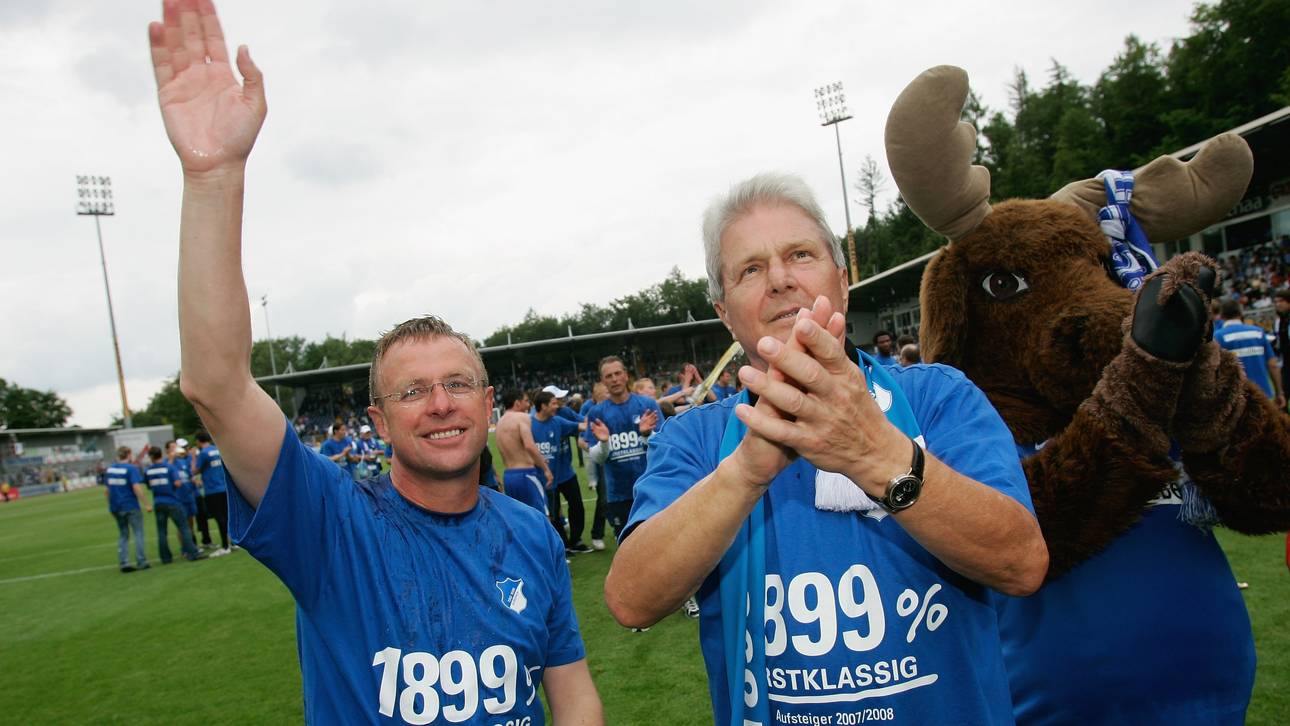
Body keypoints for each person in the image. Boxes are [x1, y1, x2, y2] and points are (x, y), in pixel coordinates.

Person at [147, 3, 602, 721]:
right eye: (412, 391)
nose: (441, 403)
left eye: (457, 384)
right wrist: (212, 177)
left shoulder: (530, 533)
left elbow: (571, 689)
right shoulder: (330, 522)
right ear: (378, 421)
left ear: (488, 404)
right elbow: (216, 386)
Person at [605, 173, 1047, 724]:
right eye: (750, 269)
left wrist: (875, 455)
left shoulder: (937, 397)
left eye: (800, 254)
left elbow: (1021, 564)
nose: (780, 280)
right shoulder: (695, 438)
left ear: (841, 281)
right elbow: (631, 600)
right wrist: (744, 472)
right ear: (724, 312)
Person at [582, 356, 661, 539]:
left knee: (658, 544)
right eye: (609, 376)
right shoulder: (597, 412)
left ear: (626, 376)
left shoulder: (647, 405)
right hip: (618, 495)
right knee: (627, 547)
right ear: (603, 381)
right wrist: (603, 442)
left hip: (649, 488)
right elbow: (597, 458)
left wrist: (647, 435)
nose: (614, 379)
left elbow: (662, 447)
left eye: (618, 373)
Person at [532, 390, 591, 554]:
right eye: (553, 402)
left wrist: (597, 423)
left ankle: (576, 540)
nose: (557, 405)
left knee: (577, 505)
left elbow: (580, 425)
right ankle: (563, 545)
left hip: (566, 474)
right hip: (545, 478)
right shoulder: (529, 424)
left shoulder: (557, 420)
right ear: (543, 406)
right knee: (553, 514)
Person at [1214, 299, 1285, 408]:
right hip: (1262, 393)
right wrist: (1279, 392)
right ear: (1241, 313)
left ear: (1222, 315)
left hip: (1236, 396)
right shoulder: (1258, 332)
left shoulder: (1218, 336)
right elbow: (1273, 365)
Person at [496, 389, 554, 513]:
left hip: (509, 477)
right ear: (517, 403)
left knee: (520, 518)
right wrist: (546, 469)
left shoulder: (499, 423)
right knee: (541, 517)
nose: (529, 405)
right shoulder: (522, 417)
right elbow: (529, 445)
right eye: (526, 401)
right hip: (526, 474)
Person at [144, 446, 204, 563]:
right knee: (183, 527)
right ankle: (192, 553)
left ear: (151, 457)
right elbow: (177, 483)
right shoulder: (169, 467)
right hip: (172, 500)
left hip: (158, 501)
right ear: (161, 454)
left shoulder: (148, 470)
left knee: (162, 531)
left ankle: (165, 558)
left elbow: (148, 485)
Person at [104, 446, 150, 573]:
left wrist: (110, 507)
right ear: (129, 455)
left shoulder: (110, 469)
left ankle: (124, 561)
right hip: (130, 505)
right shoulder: (131, 468)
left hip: (116, 507)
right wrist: (146, 503)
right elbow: (136, 487)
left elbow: (107, 491)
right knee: (138, 533)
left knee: (123, 534)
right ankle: (141, 561)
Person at [581, 382, 610, 550]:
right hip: (604, 460)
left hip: (623, 458)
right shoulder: (595, 412)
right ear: (598, 395)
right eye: (605, 391)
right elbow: (584, 441)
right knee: (604, 499)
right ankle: (597, 534)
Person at [194, 431, 233, 556]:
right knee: (227, 516)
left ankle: (225, 546)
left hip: (212, 489)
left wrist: (193, 457)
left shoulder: (203, 453)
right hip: (224, 487)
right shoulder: (217, 449)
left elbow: (195, 470)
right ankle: (232, 542)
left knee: (219, 518)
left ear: (199, 441)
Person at [1274, 289, 1289, 411]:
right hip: (1286, 364)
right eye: (1276, 301)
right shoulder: (1280, 320)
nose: (1278, 304)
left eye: (1281, 301)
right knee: (1283, 397)